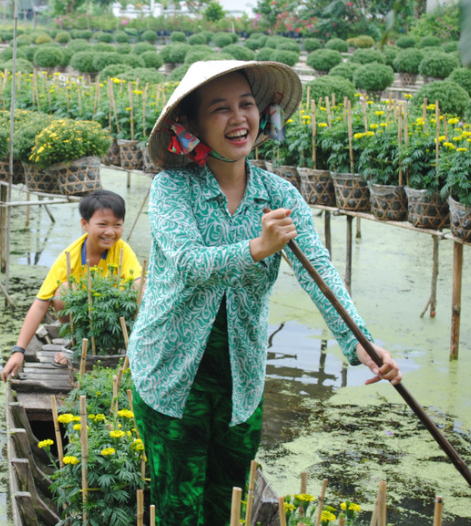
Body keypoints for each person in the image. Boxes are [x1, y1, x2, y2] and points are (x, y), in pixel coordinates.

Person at [126, 60, 402, 526]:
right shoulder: (173, 189)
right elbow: (188, 263)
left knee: (225, 506)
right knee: (178, 508)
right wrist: (257, 247)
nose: (238, 119)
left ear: (264, 113)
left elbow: (322, 276)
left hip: (241, 380)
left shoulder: (280, 197)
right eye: (220, 109)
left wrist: (360, 342)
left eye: (247, 104)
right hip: (170, 374)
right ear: (190, 125)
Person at [1, 189, 143, 381]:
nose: (110, 232)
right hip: (83, 321)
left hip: (115, 321)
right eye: (102, 224)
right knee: (62, 293)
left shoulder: (122, 251)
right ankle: (77, 347)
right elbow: (41, 303)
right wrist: (19, 350)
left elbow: (138, 287)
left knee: (140, 289)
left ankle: (125, 348)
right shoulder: (70, 257)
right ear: (85, 224)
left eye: (117, 225)